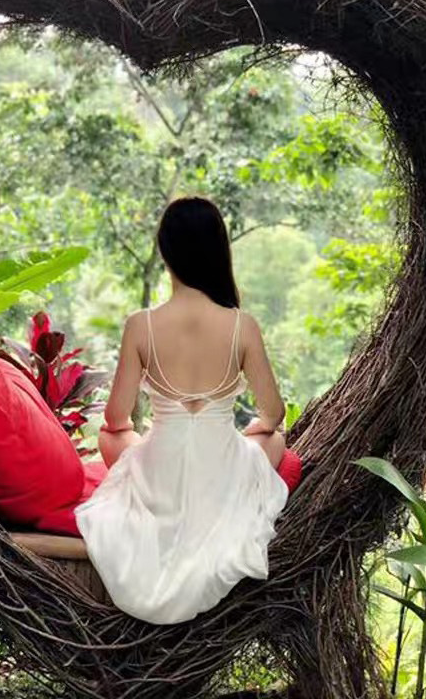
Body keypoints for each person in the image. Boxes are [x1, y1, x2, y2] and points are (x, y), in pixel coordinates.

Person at [74, 196, 290, 625]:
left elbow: (116, 419)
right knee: (274, 439)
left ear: (166, 251)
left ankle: (157, 475)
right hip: (221, 468)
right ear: (218, 251)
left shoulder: (141, 325)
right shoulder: (242, 325)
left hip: (160, 468)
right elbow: (274, 412)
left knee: (109, 437)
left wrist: (137, 437)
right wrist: (258, 428)